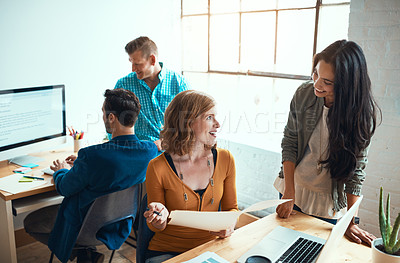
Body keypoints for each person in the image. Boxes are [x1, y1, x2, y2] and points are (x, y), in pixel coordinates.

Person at [24, 88, 158, 263]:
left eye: (103, 113)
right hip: (118, 226)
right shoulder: (149, 151)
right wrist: (82, 162)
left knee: (30, 222)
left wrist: (61, 170)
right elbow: (119, 160)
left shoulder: (92, 155)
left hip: (84, 229)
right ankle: (87, 255)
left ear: (111, 117)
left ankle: (83, 253)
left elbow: (65, 187)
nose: (103, 117)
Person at [274, 40, 381, 246]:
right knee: (281, 247)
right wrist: (288, 192)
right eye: (315, 74)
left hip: (328, 200)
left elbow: (356, 171)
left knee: (315, 253)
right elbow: (290, 142)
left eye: (327, 82)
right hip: (293, 188)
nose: (316, 84)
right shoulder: (304, 94)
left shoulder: (360, 115)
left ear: (347, 84)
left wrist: (351, 221)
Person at [143, 90, 238, 263]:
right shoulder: (157, 167)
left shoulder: (226, 159)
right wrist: (159, 219)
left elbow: (232, 208)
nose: (218, 124)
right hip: (167, 252)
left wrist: (230, 226)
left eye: (216, 117)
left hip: (211, 250)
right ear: (187, 122)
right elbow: (154, 226)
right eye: (209, 117)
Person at [114, 36, 189, 151]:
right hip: (137, 154)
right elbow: (113, 120)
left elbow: (190, 122)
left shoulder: (179, 83)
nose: (133, 69)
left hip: (172, 153)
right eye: (131, 62)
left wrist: (166, 142)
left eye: (137, 64)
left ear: (153, 60)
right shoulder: (124, 85)